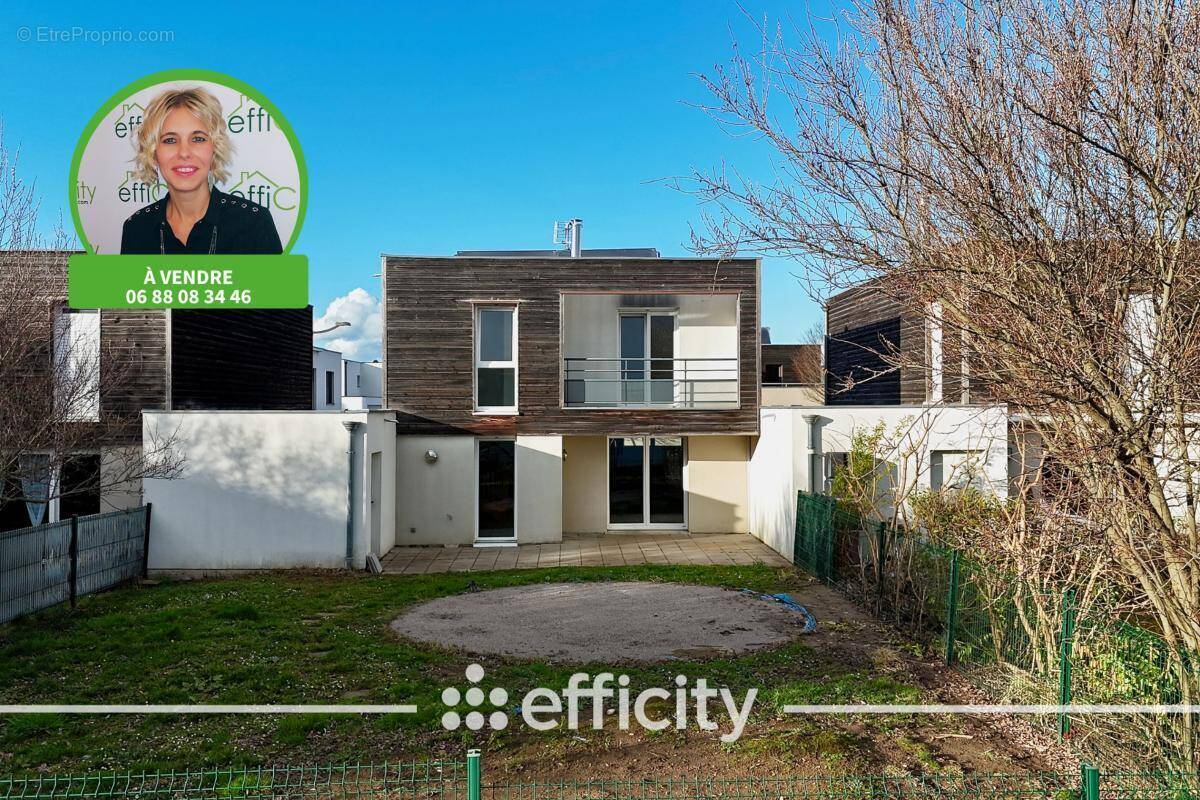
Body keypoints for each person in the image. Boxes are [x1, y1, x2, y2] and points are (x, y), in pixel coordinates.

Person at [120, 87, 282, 255]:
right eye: (169, 140)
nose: (184, 152)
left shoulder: (254, 223)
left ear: (214, 150)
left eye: (198, 139)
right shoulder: (136, 228)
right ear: (153, 154)